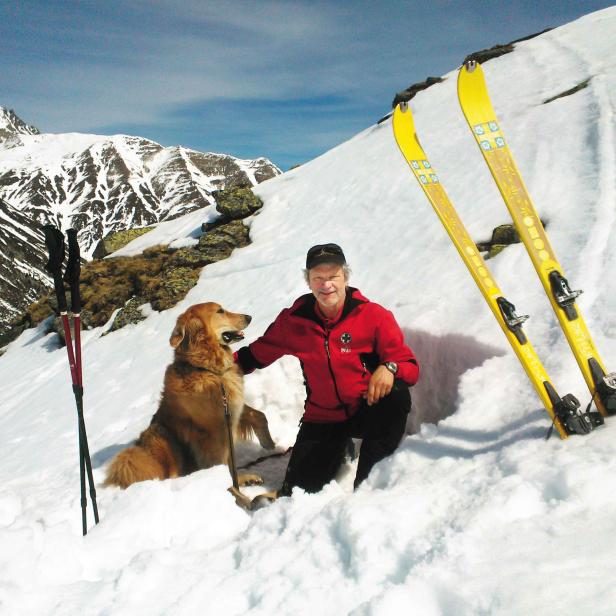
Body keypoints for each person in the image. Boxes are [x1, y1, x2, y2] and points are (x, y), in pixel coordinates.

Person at [235, 243, 419, 495]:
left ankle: (367, 488)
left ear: (345, 277)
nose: (326, 285)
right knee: (299, 493)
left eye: (333, 276)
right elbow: (256, 354)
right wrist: (212, 368)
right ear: (308, 282)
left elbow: (409, 366)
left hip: (367, 408)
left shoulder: (373, 316)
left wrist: (390, 367)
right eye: (317, 278)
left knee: (396, 396)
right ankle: (339, 449)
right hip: (323, 418)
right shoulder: (294, 321)